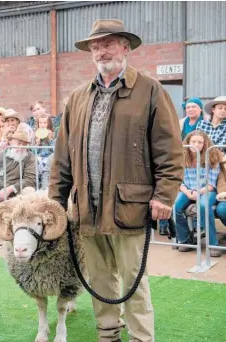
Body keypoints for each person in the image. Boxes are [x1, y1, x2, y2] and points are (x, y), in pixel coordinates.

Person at [49, 19, 184, 342]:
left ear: (125, 46)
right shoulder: (78, 98)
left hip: (130, 208)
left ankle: (141, 337)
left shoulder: (150, 90)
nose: (100, 52)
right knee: (98, 280)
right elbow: (62, 157)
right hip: (86, 208)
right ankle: (108, 334)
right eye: (95, 47)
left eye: (108, 44)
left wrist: (164, 195)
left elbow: (170, 151)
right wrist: (55, 201)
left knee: (133, 281)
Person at [172, 131, 222, 257]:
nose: (196, 144)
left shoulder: (212, 156)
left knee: (204, 206)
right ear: (188, 142)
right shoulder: (181, 156)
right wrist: (188, 193)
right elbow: (178, 180)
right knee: (175, 207)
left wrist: (198, 192)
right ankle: (185, 239)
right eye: (193, 141)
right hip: (187, 189)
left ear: (204, 144)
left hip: (207, 190)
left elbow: (211, 184)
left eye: (200, 142)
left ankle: (213, 244)